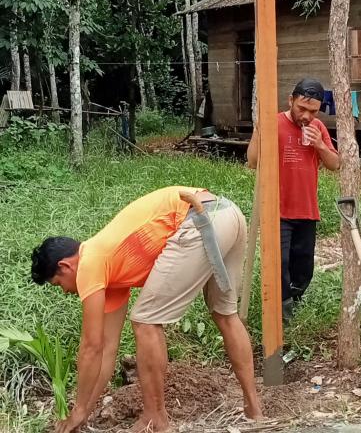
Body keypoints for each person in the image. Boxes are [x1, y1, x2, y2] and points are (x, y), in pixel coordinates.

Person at [31, 186, 263, 433]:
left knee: (145, 321)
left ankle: (155, 418)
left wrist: (76, 409)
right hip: (227, 214)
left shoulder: (89, 262)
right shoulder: (110, 270)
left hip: (198, 217)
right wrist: (83, 413)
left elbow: (91, 346)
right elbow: (107, 350)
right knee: (225, 316)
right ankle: (254, 410)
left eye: (59, 284)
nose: (66, 291)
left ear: (65, 266)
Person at [247, 78, 340, 321]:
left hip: (307, 209)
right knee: (280, 262)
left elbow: (335, 164)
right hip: (278, 209)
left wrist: (320, 144)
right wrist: (258, 129)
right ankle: (282, 312)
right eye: (302, 108)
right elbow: (253, 162)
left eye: (313, 111)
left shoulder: (318, 127)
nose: (307, 116)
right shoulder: (273, 123)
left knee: (304, 265)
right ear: (291, 101)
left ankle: (294, 302)